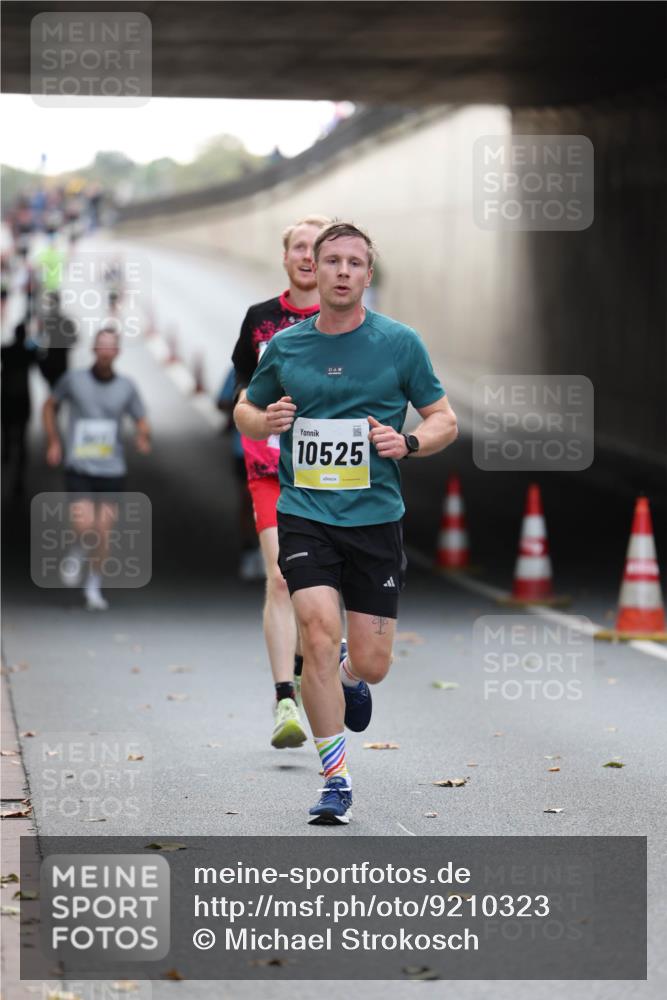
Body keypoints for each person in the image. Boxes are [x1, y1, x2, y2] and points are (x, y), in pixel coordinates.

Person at [234, 221, 458, 824]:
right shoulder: (286, 346)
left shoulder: (400, 343)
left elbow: (445, 420)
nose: (340, 271)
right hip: (305, 512)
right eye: (330, 260)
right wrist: (266, 421)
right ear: (317, 267)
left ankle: (350, 676)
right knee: (314, 627)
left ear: (367, 273)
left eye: (353, 263)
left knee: (373, 662)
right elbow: (245, 408)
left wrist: (407, 443)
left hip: (375, 519)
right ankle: (335, 779)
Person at [231, 214, 334, 750]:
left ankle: (309, 664)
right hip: (271, 465)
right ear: (287, 256)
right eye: (299, 246)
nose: (307, 255)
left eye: (318, 247)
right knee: (278, 576)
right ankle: (284, 700)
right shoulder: (259, 320)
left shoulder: (350, 319)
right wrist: (258, 418)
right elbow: (244, 395)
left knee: (320, 581)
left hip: (331, 469)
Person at [42, 327, 151, 610]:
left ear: (117, 352)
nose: (104, 351)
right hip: (79, 466)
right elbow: (49, 406)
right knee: (84, 524)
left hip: (112, 469)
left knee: (103, 531)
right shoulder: (73, 380)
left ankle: (93, 585)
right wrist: (54, 441)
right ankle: (78, 549)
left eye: (110, 346)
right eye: (100, 345)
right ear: (93, 349)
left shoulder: (126, 386)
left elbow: (141, 418)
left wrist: (142, 436)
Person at [216, 367, 264, 582]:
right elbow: (221, 402)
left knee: (274, 504)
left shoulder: (289, 358)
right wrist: (244, 405)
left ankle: (270, 553)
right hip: (243, 447)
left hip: (275, 451)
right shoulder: (239, 369)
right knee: (247, 500)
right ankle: (249, 550)